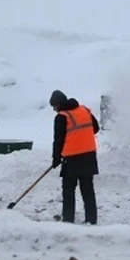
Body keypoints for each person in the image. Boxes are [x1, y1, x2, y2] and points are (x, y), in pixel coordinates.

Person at [50, 89, 100, 224]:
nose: (54, 110)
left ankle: (68, 220)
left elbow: (58, 140)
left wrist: (56, 158)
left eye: (54, 107)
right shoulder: (84, 110)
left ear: (58, 104)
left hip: (71, 159)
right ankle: (91, 220)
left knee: (68, 192)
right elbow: (95, 128)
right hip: (89, 156)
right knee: (88, 191)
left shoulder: (61, 117)